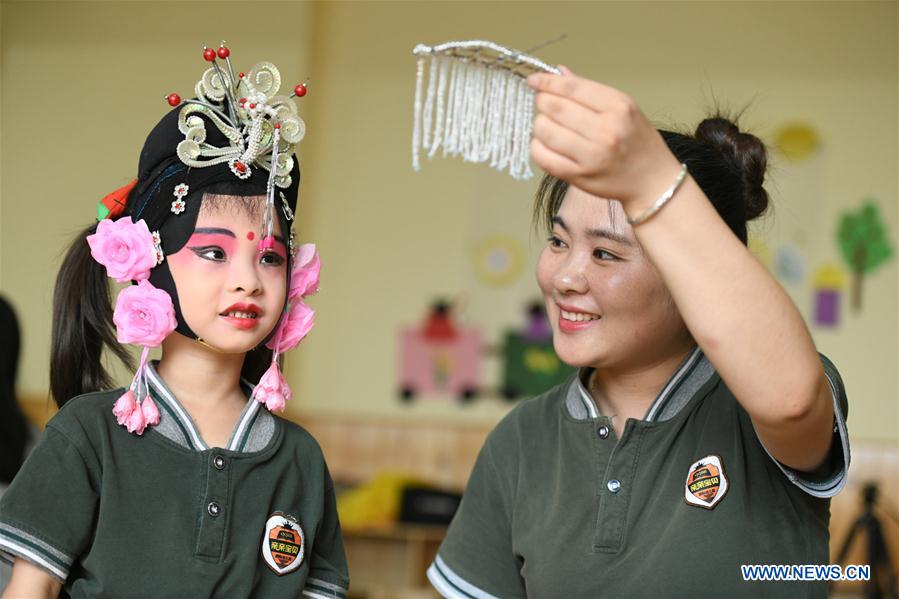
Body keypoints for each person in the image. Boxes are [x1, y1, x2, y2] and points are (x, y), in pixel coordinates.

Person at [427, 67, 849, 598]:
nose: (564, 277)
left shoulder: (761, 405)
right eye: (559, 242)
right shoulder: (522, 440)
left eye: (605, 253)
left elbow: (791, 400)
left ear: (691, 278)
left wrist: (653, 179)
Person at [0, 47, 348, 599]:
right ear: (149, 264)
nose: (248, 282)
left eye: (271, 257)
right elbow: (29, 589)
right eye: (214, 253)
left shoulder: (299, 460)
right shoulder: (87, 435)